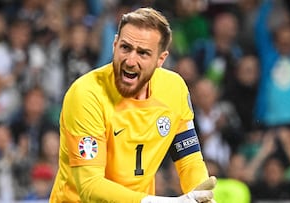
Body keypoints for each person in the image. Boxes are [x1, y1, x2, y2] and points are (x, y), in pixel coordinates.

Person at [50, 7, 216, 203]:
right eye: (125, 48)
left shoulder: (174, 89)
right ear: (114, 44)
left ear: (160, 59)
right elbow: (90, 186)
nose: (130, 60)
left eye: (143, 53)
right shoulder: (87, 94)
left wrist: (200, 196)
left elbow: (189, 160)